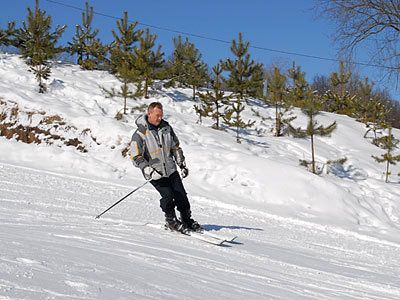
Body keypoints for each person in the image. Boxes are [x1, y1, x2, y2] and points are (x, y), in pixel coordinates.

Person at [130, 102, 201, 232]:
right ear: (149, 113)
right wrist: (147, 169)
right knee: (168, 196)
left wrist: (181, 164)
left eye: (161, 115)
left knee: (181, 196)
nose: (159, 118)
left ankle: (186, 219)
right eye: (157, 115)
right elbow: (135, 156)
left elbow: (175, 147)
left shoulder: (166, 127)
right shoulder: (140, 133)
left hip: (171, 169)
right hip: (155, 172)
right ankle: (171, 221)